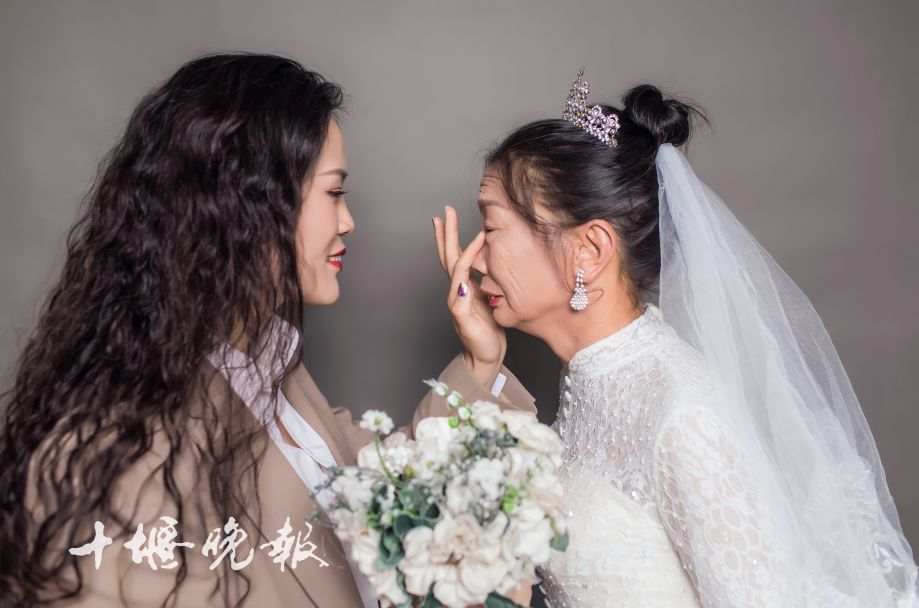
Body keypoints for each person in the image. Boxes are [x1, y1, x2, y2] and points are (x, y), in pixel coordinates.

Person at [0, 53, 536, 607]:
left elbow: (383, 485)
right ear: (249, 203)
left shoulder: (269, 366)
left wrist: (480, 360)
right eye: (333, 193)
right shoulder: (125, 445)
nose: (348, 220)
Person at [433, 69, 918, 607]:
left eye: (492, 227)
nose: (472, 255)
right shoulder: (595, 374)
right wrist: (482, 359)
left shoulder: (682, 409)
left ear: (589, 251)